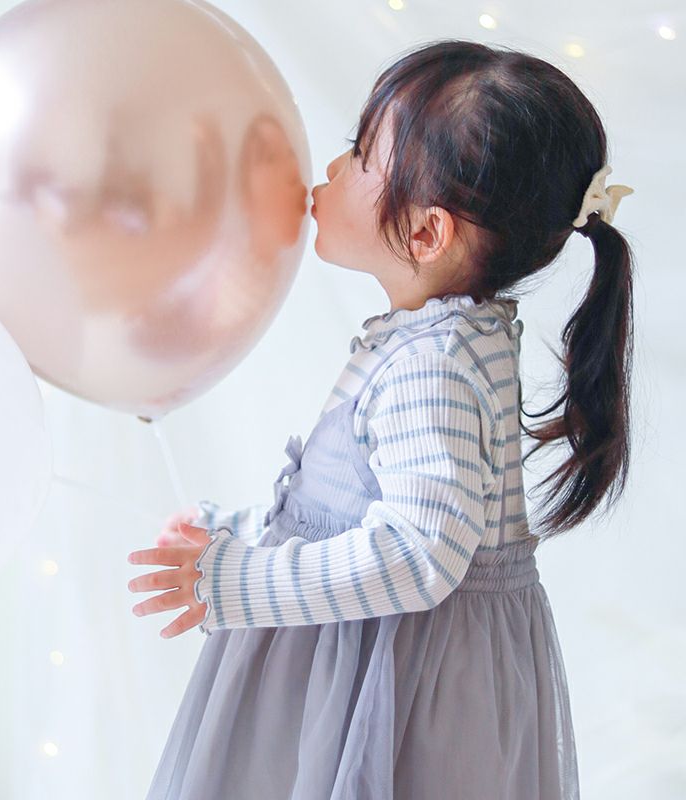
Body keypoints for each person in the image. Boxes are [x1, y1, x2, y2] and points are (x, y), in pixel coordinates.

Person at [128, 39, 635, 800]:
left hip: (393, 690)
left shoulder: (433, 367)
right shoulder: (445, 341)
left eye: (362, 156)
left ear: (427, 233)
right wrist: (237, 531)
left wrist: (241, 579)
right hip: (388, 664)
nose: (333, 169)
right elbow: (355, 511)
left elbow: (417, 554)